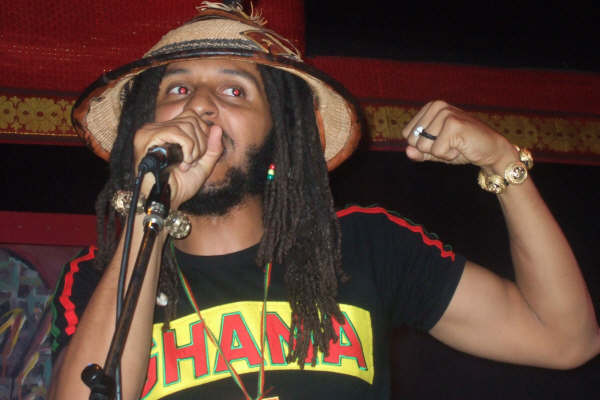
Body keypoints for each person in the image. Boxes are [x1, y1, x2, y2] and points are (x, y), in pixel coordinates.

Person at [48, 2, 600, 399]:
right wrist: (149, 208)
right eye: (178, 89)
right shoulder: (99, 277)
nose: (202, 106)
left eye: (235, 89)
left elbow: (565, 339)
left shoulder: (365, 246)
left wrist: (504, 164)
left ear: (280, 131)